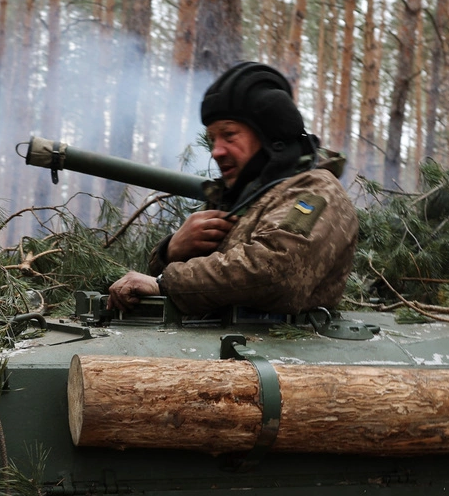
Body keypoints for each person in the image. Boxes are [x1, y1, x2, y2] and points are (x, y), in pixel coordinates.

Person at [107, 62, 358, 316]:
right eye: (212, 138)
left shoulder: (316, 190)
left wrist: (165, 283)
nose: (216, 151)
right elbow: (206, 282)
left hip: (281, 351)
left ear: (270, 135)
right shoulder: (240, 196)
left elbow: (275, 272)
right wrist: (171, 250)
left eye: (229, 135)